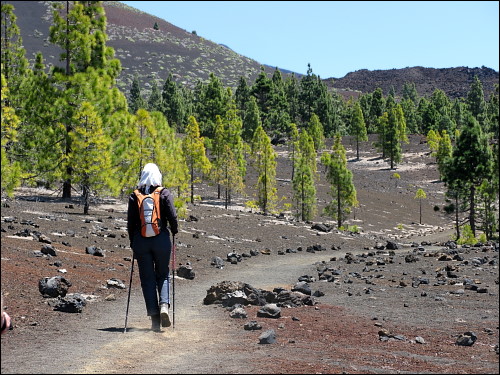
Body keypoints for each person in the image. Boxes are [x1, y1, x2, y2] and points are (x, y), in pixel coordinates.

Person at [127, 163, 178, 332]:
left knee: (147, 280)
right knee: (163, 275)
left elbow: (131, 223)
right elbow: (172, 216)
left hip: (141, 242)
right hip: (161, 240)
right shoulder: (164, 193)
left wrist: (133, 242)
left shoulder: (135, 196)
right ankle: (164, 305)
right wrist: (174, 231)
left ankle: (155, 320)